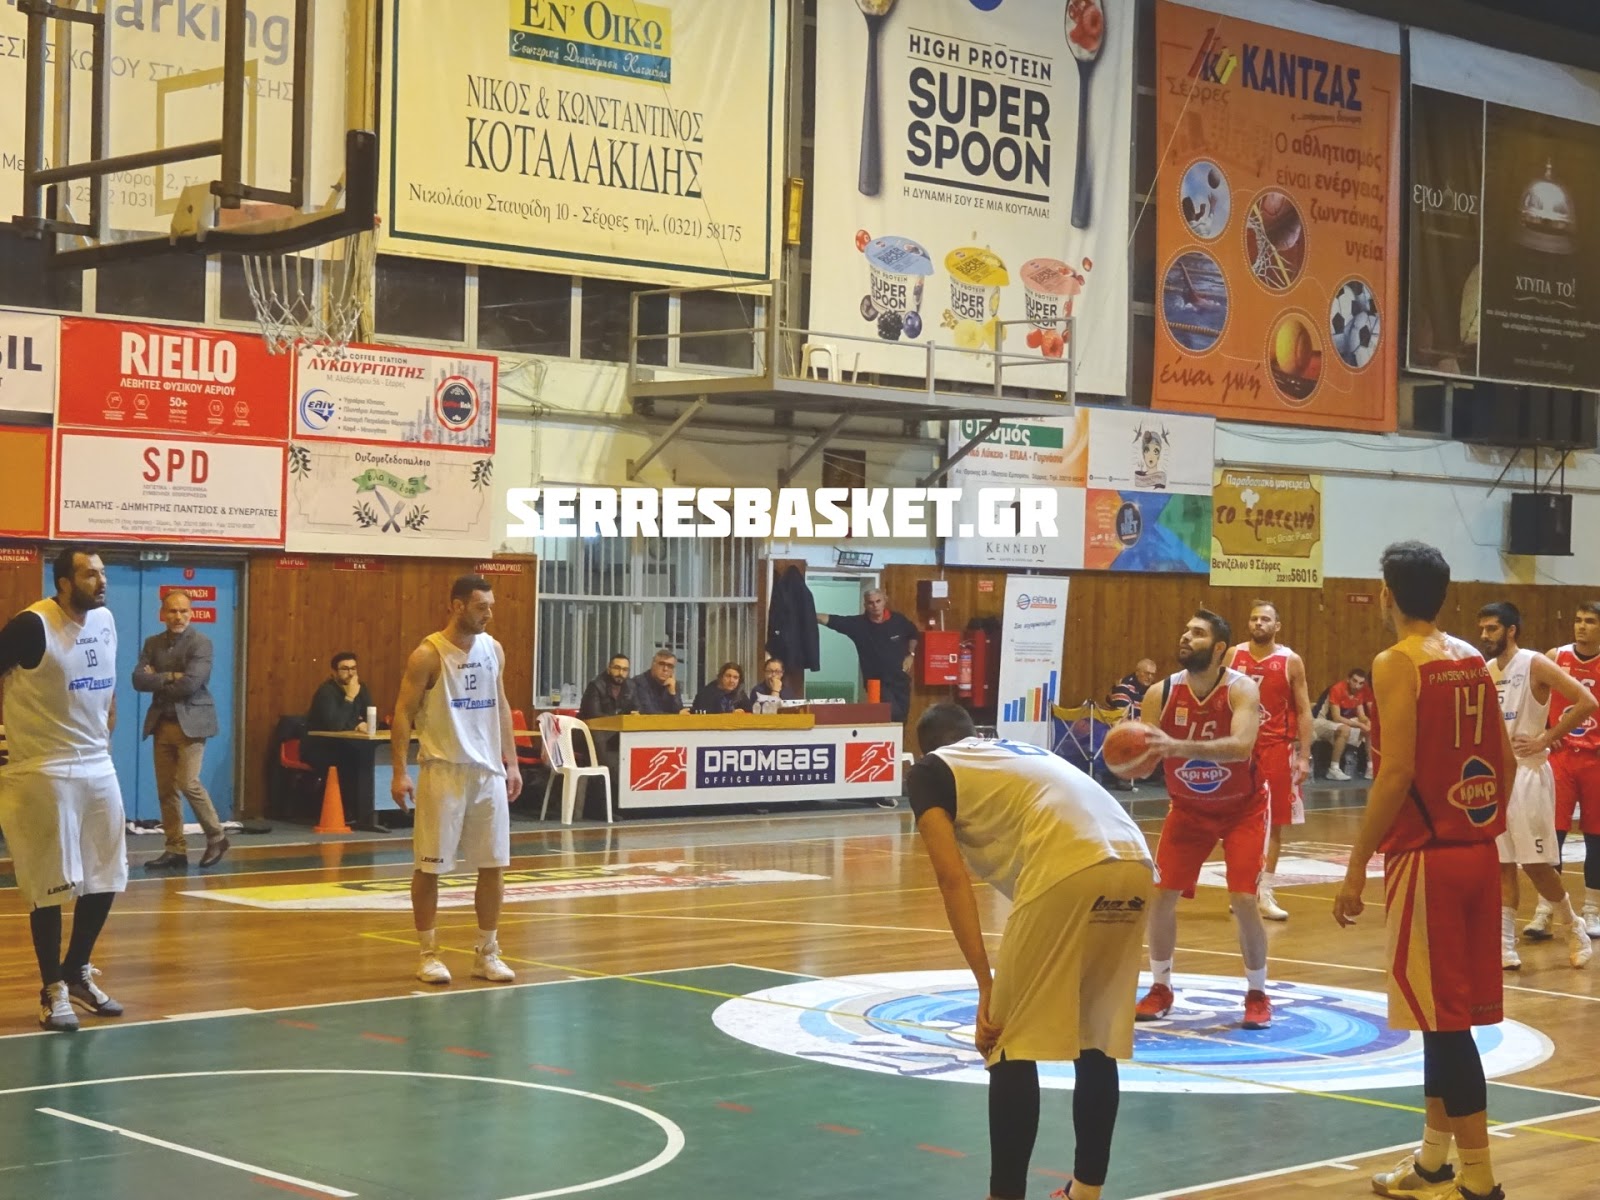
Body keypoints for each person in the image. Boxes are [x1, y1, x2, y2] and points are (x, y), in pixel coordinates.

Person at [907, 703, 1152, 1200]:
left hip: (1069, 863)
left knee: (1007, 1041)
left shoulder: (930, 770)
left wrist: (985, 984)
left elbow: (951, 879)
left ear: (925, 748)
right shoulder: (1015, 753)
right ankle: (1085, 1193)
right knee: (1094, 1040)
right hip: (1136, 862)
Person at [1335, 541, 1511, 1200]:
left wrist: (1357, 862)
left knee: (1447, 1029)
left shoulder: (1395, 662)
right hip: (1478, 852)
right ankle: (1434, 1161)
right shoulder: (1472, 659)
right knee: (1443, 1021)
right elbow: (1505, 761)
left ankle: (1481, 1180)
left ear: (1387, 594)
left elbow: (1397, 771)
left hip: (1427, 857)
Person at [0, 545, 128, 1032]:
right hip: (43, 767)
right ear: (63, 583)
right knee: (51, 883)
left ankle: (77, 971)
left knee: (106, 875)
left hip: (96, 763)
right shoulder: (32, 626)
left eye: (102, 572)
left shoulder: (106, 621)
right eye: (89, 574)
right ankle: (51, 988)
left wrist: (107, 725)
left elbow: (107, 684)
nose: (101, 580)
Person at [1134, 609, 1272, 1029]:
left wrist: (1178, 747)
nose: (1185, 636)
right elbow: (1144, 759)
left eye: (1197, 633)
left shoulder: (1241, 688)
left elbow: (1242, 746)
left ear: (1219, 648)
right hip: (1188, 809)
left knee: (1244, 899)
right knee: (1161, 895)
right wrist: (1130, 755)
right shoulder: (1160, 693)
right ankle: (1160, 987)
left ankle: (1257, 993)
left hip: (1243, 809)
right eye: (1185, 630)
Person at [389, 575, 521, 986]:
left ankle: (487, 953)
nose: (489, 614)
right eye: (482, 607)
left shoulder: (493, 649)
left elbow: (501, 705)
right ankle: (428, 953)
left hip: (488, 773)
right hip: (443, 771)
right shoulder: (427, 654)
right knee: (430, 867)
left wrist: (512, 763)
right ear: (457, 606)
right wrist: (399, 771)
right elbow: (402, 713)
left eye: (491, 606)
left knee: (494, 865)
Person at [1476, 601, 1594, 970]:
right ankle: (1504, 945)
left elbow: (1586, 701)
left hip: (1528, 773)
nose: (1485, 635)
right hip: (1496, 775)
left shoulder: (1535, 663)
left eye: (1492, 628)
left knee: (1535, 864)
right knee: (1502, 864)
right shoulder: (1486, 669)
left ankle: (1573, 925)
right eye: (1482, 629)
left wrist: (1547, 737)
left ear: (1511, 630)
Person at [131, 589, 228, 870]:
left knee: (188, 783)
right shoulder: (152, 643)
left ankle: (217, 836)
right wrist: (172, 675)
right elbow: (138, 680)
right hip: (162, 723)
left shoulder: (201, 643)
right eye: (172, 611)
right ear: (162, 614)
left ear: (191, 613)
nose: (178, 616)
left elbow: (191, 684)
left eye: (183, 611)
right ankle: (175, 848)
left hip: (192, 724)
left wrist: (159, 679)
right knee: (166, 790)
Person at [1228, 601, 1312, 922]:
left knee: (1273, 823)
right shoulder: (1233, 655)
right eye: (1254, 619)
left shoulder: (1290, 660)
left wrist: (1304, 756)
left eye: (1265, 619)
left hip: (1276, 748)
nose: (1258, 623)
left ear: (1277, 626)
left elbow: (1304, 710)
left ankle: (1265, 891)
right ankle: (1241, 890)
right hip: (1240, 748)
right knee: (1235, 822)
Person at [1529, 599, 1600, 940]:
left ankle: (1592, 909)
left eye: (1590, 621)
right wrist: (1546, 731)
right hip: (1562, 757)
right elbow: (1535, 697)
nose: (1582, 626)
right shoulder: (1556, 657)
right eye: (1578, 619)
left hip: (1596, 760)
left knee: (1596, 838)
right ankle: (1545, 910)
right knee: (1551, 836)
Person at [304, 651, 384, 832]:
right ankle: (354, 812)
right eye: (345, 669)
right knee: (352, 762)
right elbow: (335, 725)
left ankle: (374, 812)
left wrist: (363, 724)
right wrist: (349, 698)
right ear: (334, 672)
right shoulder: (326, 692)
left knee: (371, 758)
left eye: (354, 668)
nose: (350, 673)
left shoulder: (361, 688)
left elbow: (373, 718)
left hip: (347, 745)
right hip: (320, 746)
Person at [818, 589, 919, 722]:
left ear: (885, 601)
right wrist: (806, 614)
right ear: (865, 605)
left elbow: (913, 634)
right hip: (877, 684)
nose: (875, 605)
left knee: (902, 720)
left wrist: (911, 655)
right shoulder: (858, 625)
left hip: (901, 681)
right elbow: (830, 619)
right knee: (890, 717)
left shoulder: (898, 620)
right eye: (871, 603)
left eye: (878, 601)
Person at [1312, 667, 1373, 780]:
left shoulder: (1359, 692)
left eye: (1361, 683)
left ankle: (1370, 768)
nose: (1357, 685)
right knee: (1345, 729)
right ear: (1348, 679)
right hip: (1319, 721)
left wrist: (1367, 722)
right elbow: (1336, 717)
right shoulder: (1337, 689)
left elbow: (1361, 715)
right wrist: (1360, 725)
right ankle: (1333, 769)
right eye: (1354, 681)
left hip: (1337, 723)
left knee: (1369, 728)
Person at [578, 653, 636, 720]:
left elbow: (637, 711)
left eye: (625, 669)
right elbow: (593, 715)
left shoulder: (631, 686)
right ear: (609, 669)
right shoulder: (596, 685)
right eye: (617, 668)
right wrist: (619, 721)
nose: (621, 673)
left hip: (620, 725)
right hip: (593, 725)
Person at [632, 650, 688, 715]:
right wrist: (676, 714)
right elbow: (648, 712)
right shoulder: (639, 682)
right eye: (661, 664)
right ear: (653, 664)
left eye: (670, 666)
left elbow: (681, 713)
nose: (665, 669)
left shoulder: (673, 684)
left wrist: (673, 694)